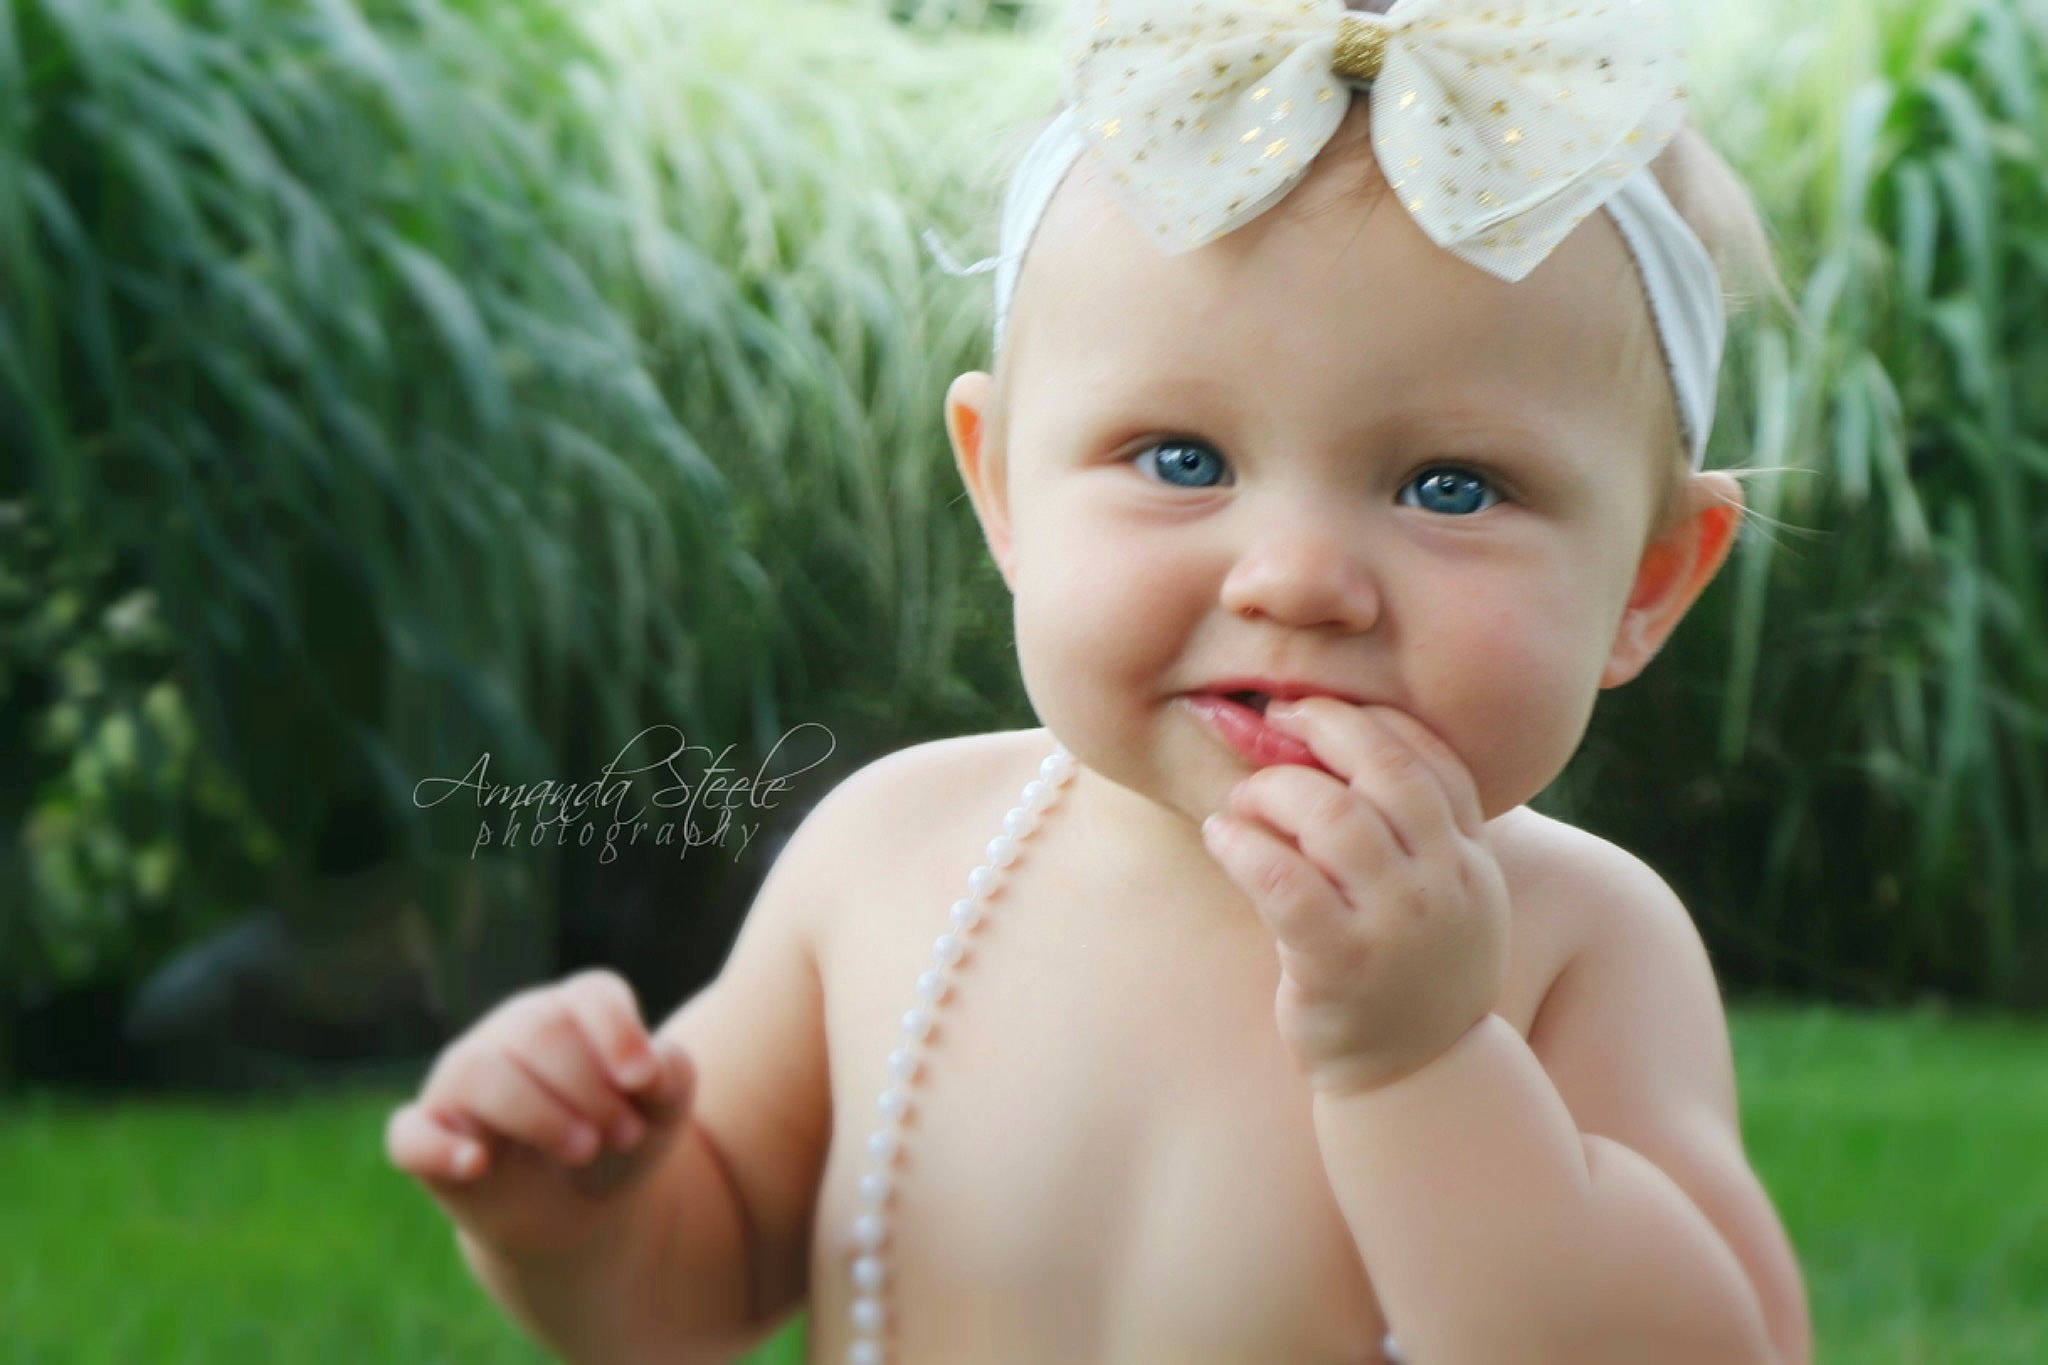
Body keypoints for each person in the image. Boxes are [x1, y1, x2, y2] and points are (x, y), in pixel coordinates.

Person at [386, 0, 1814, 1360]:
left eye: (1452, 486)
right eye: (1182, 461)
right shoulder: (889, 856)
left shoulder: (1575, 943)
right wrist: (580, 1210)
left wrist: (1428, 1065)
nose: (1295, 578)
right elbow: (693, 1288)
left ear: (1648, 580)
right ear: (1003, 488)